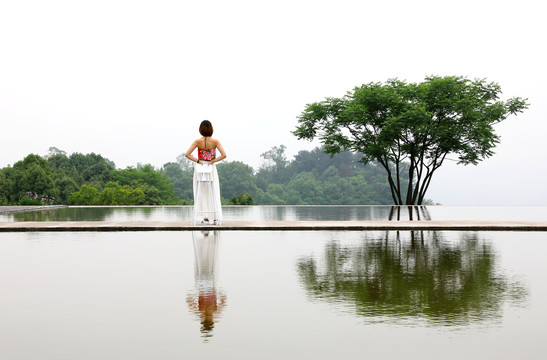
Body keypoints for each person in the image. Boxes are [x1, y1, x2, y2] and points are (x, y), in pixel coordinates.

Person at [185, 120, 226, 224]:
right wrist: (213, 161)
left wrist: (198, 161)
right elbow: (224, 155)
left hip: (200, 167)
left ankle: (205, 218)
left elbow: (187, 154)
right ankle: (216, 217)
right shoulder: (215, 141)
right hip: (211, 166)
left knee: (201, 192)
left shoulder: (197, 141)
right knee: (214, 190)